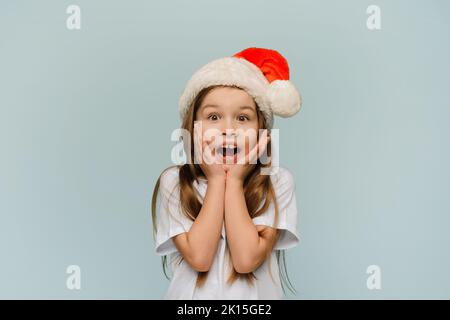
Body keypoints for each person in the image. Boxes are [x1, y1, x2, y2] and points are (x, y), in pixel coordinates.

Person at [151, 47, 302, 299]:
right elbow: (199, 258)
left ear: (261, 131)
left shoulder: (277, 182)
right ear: (192, 127)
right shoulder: (175, 182)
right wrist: (216, 178)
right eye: (213, 116)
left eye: (243, 118)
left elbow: (245, 260)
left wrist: (233, 181)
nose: (228, 129)